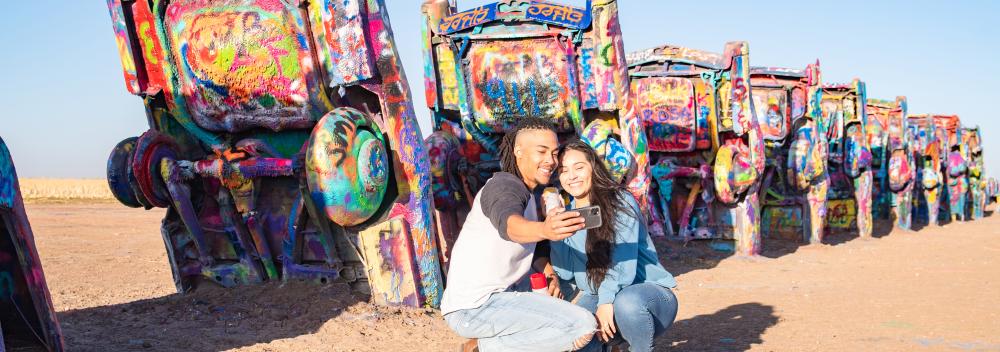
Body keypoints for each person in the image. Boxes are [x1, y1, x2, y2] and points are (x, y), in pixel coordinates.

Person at [441, 118, 597, 352]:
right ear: (518, 152)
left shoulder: (532, 196)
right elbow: (510, 226)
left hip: (501, 297)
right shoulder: (504, 186)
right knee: (582, 327)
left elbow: (531, 247)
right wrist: (545, 229)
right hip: (475, 308)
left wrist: (548, 271)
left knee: (567, 285)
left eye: (554, 154)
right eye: (542, 152)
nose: (550, 161)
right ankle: (482, 348)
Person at [551, 140, 679, 352]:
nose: (571, 176)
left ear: (594, 167)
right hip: (597, 295)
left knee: (626, 304)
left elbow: (622, 265)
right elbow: (565, 274)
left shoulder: (620, 200)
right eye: (564, 171)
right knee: (577, 335)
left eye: (579, 167)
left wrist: (606, 302)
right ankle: (612, 346)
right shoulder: (567, 214)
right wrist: (555, 233)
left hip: (645, 296)